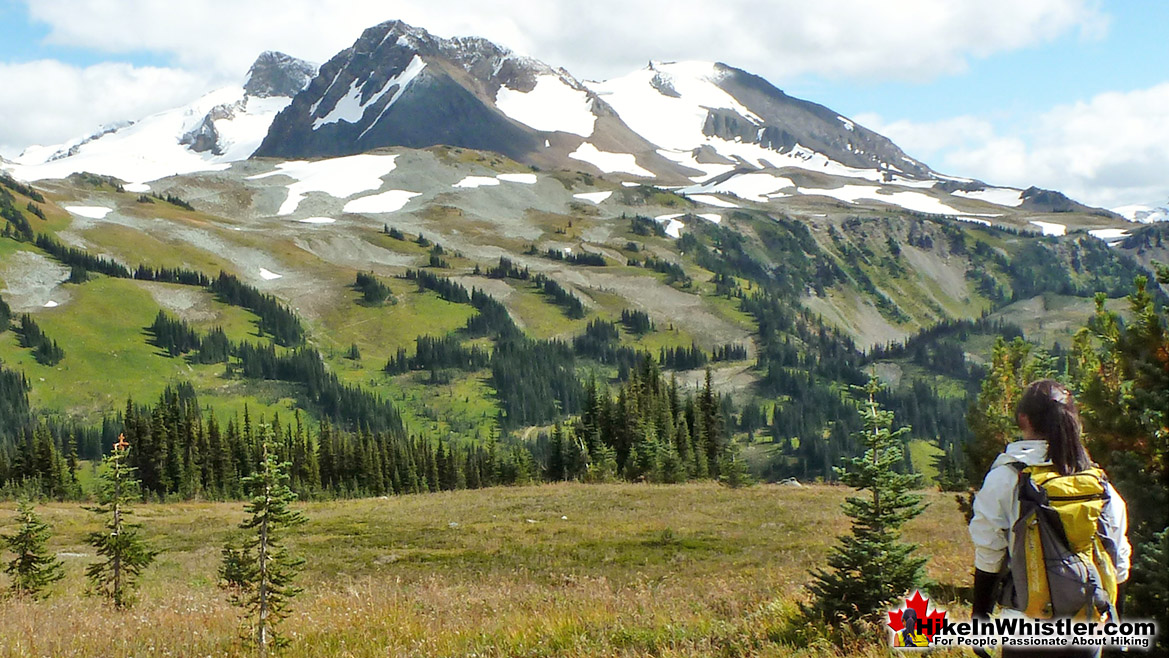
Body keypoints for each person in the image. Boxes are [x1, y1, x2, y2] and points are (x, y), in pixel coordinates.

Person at [968, 379, 1131, 657]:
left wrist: (980, 619)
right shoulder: (1098, 483)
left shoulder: (1006, 477)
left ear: (1023, 419)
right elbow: (1118, 559)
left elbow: (989, 556)